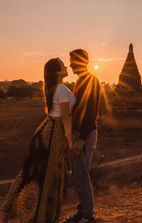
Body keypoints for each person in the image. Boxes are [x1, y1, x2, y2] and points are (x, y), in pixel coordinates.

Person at [0, 58, 76, 223]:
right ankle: (32, 215)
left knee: (30, 172)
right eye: (63, 64)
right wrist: (70, 142)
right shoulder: (61, 89)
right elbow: (66, 119)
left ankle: (6, 212)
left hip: (46, 130)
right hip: (54, 133)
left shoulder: (55, 88)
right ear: (57, 70)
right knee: (46, 175)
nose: (66, 66)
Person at [63, 49, 100, 223]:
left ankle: (88, 215)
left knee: (82, 176)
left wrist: (82, 139)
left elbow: (91, 112)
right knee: (79, 175)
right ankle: (82, 210)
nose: (69, 64)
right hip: (81, 133)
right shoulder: (81, 81)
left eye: (72, 61)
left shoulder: (90, 81)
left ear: (80, 61)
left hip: (85, 134)